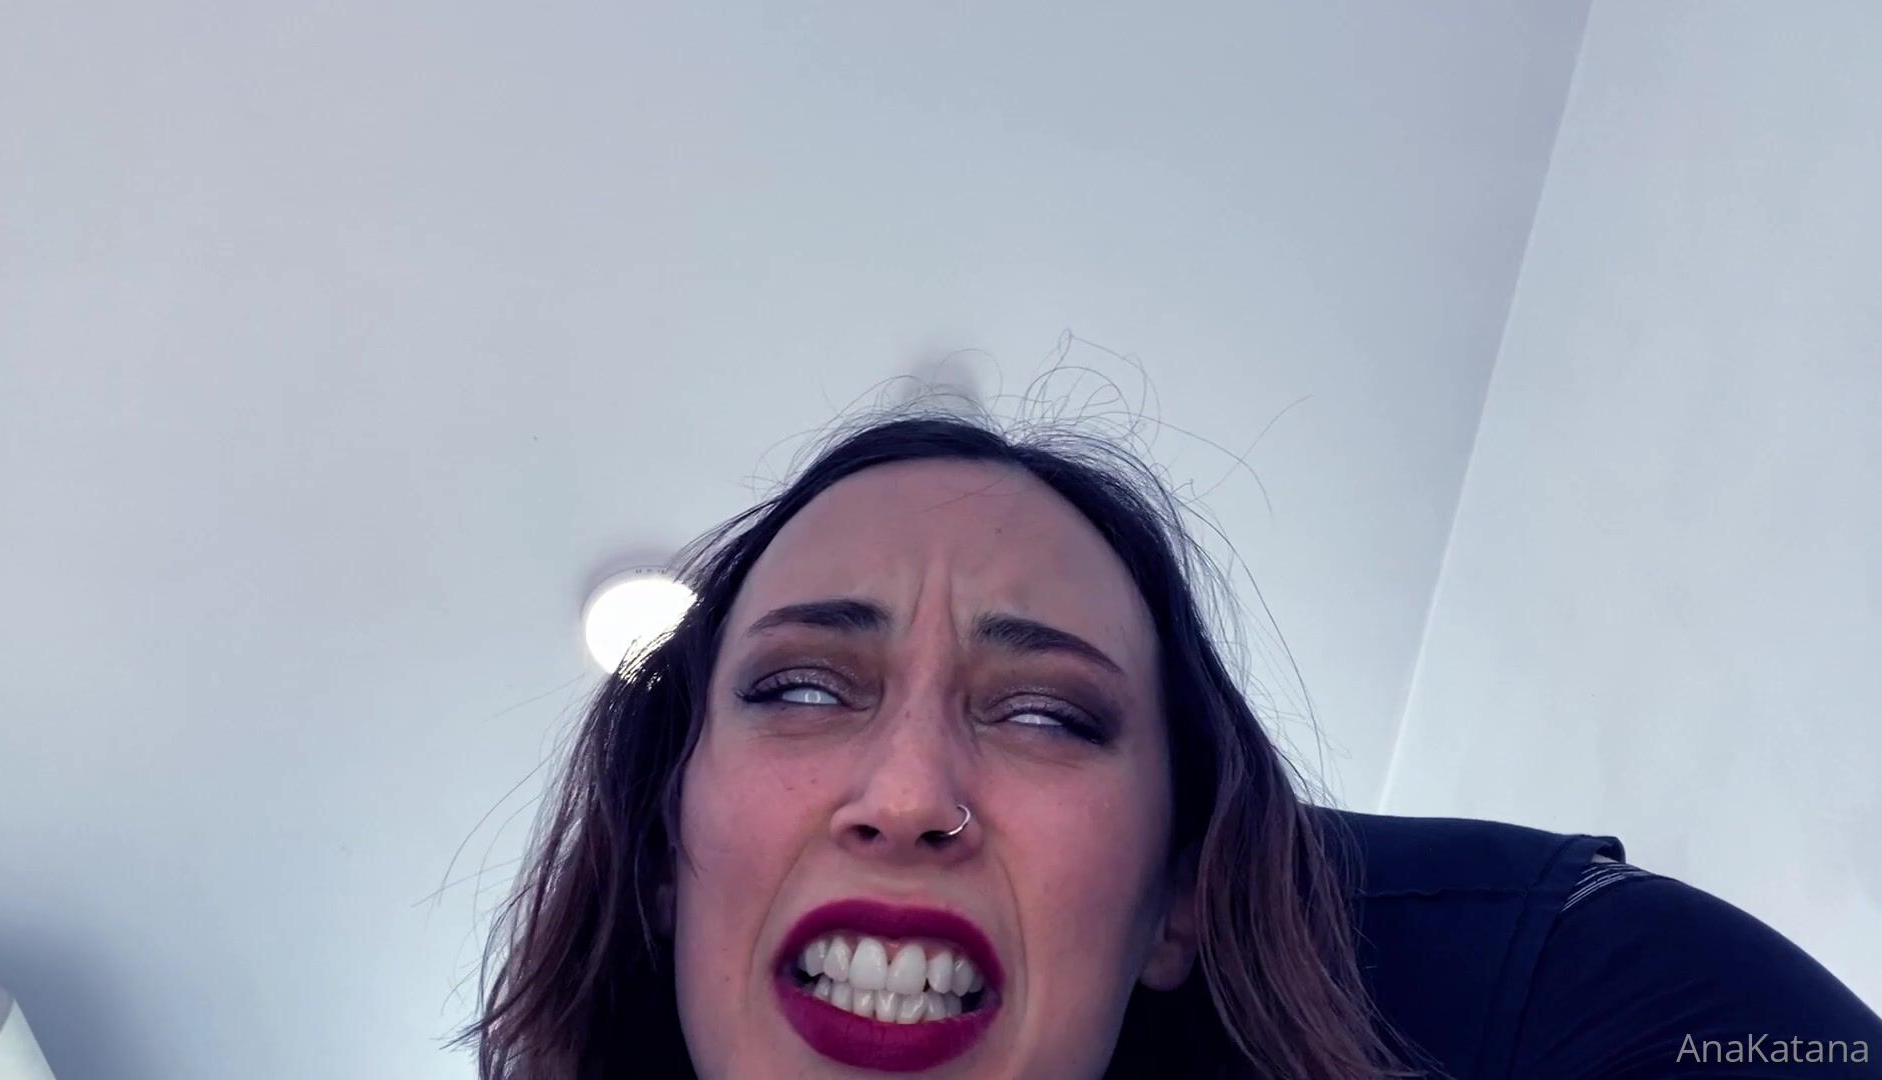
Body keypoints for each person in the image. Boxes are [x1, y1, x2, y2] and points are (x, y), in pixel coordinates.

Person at [455, 406, 1881, 1078]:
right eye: (806, 689)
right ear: (665, 850)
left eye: (1047, 713)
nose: (907, 792)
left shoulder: (1570, 985)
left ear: (1181, 898)